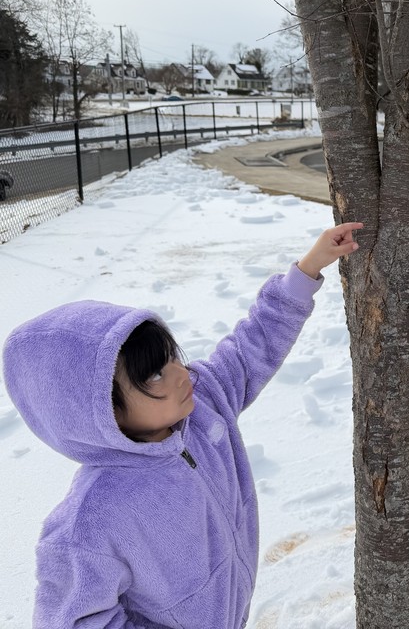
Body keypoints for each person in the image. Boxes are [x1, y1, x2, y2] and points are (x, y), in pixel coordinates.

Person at [2, 222, 363, 628]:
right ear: (97, 411)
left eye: (172, 357)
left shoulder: (202, 402)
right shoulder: (92, 520)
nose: (180, 375)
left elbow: (251, 347)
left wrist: (307, 270)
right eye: (154, 375)